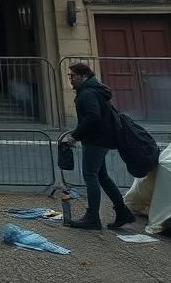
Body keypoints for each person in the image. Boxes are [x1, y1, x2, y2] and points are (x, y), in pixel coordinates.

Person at [64, 63, 135, 230]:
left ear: (83, 76)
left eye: (73, 76)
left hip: (96, 140)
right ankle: (122, 212)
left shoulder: (87, 92)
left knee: (90, 176)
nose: (71, 79)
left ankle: (93, 217)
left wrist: (75, 136)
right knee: (102, 176)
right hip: (101, 138)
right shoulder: (94, 89)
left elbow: (93, 116)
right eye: (70, 76)